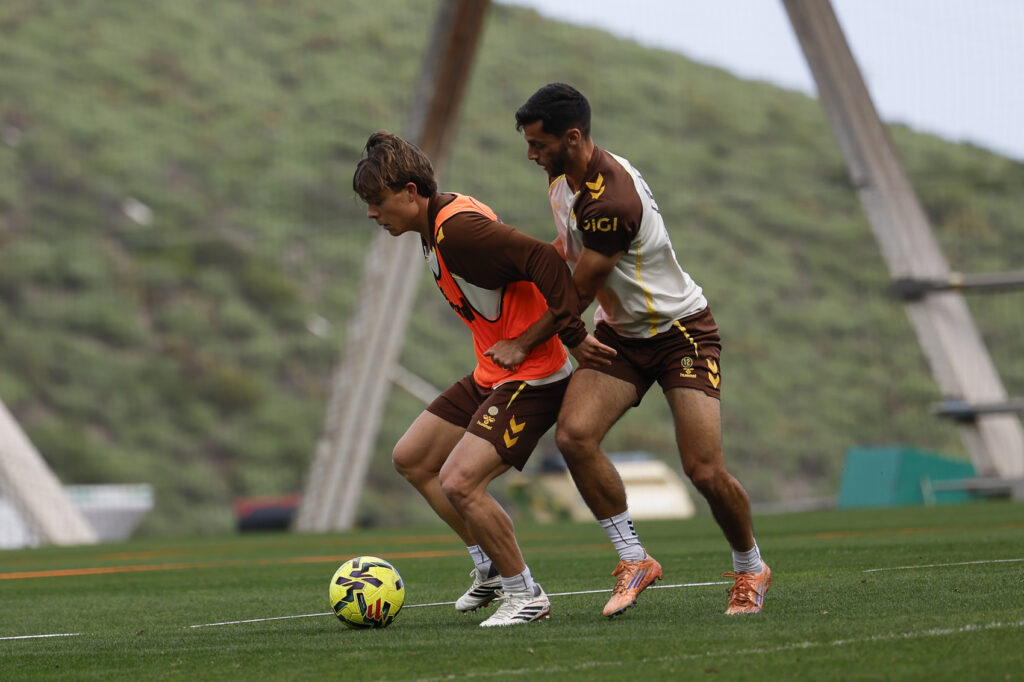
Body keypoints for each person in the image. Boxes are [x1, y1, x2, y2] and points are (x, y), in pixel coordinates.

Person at [514, 83, 772, 616]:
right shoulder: (565, 182)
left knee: (703, 470)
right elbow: (568, 250)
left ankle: (751, 568)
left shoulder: (612, 200)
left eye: (539, 145)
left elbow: (581, 289)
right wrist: (513, 259)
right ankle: (635, 559)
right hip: (624, 334)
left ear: (573, 137)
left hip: (682, 334)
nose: (531, 154)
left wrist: (523, 341)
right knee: (575, 437)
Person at [352, 130, 616, 627]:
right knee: (413, 459)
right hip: (493, 372)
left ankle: (526, 595)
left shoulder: (459, 231)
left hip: (535, 373)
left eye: (376, 201)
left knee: (460, 481)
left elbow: (542, 259)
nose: (372, 213)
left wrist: (574, 336)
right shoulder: (434, 226)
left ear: (411, 192)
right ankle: (490, 568)